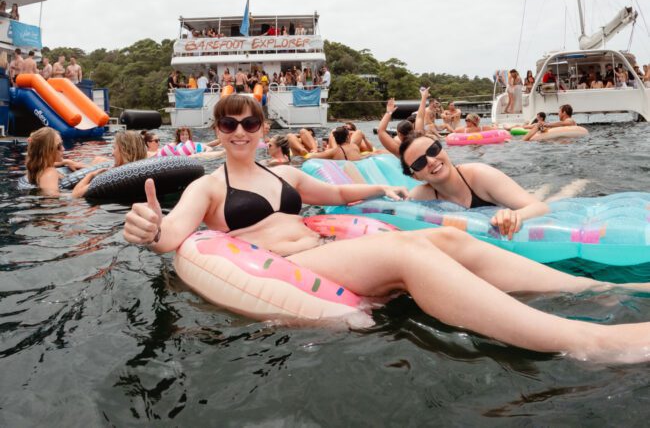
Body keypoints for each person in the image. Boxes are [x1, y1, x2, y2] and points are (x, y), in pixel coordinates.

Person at [124, 95, 650, 362]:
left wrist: (383, 190)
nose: (240, 132)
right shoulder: (208, 187)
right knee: (407, 256)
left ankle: (602, 289)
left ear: (264, 128)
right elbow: (171, 236)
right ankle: (590, 343)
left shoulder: (285, 173)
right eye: (229, 123)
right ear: (217, 130)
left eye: (250, 123)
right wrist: (149, 227)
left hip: (322, 244)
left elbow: (334, 195)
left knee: (447, 237)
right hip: (292, 265)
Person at [400, 133, 549, 238]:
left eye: (433, 150)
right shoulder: (420, 196)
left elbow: (540, 207)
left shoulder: (481, 175)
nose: (431, 161)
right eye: (420, 162)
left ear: (443, 148)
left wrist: (514, 215)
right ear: (415, 176)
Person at [25, 127, 107, 197]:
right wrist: (89, 177)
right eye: (59, 146)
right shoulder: (49, 173)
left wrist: (65, 162)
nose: (63, 149)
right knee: (101, 160)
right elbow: (51, 201)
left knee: (98, 159)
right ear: (46, 151)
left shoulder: (41, 167)